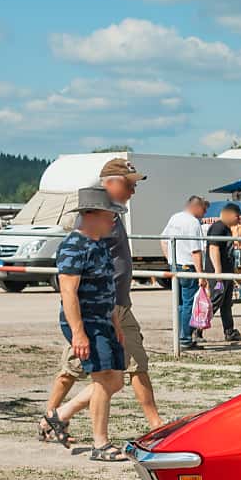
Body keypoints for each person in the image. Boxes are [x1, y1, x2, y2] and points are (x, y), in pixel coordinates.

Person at [43, 158, 165, 431]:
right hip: (98, 311)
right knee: (89, 371)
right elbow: (72, 282)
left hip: (114, 307)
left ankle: (52, 417)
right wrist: (80, 327)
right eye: (128, 185)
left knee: (125, 366)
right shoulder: (95, 219)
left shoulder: (112, 216)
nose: (133, 192)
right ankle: (55, 418)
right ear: (108, 183)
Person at [39, 187, 128, 460]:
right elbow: (68, 292)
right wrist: (78, 332)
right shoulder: (72, 246)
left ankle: (59, 415)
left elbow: (108, 289)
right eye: (109, 215)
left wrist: (115, 323)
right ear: (91, 214)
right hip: (85, 323)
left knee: (116, 381)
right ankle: (100, 445)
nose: (113, 220)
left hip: (103, 321)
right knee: (102, 380)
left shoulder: (100, 244)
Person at [161, 195, 209, 349]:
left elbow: (162, 239)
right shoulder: (193, 223)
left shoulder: (175, 218)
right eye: (204, 210)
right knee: (189, 303)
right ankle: (185, 338)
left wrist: (170, 260)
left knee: (179, 304)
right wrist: (201, 275)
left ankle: (180, 336)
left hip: (176, 266)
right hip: (188, 266)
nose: (204, 214)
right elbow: (196, 250)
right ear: (197, 207)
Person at [204, 203, 241, 343]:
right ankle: (196, 330)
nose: (239, 219)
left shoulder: (226, 228)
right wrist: (218, 274)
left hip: (225, 274)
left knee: (226, 304)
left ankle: (229, 331)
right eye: (238, 216)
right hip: (219, 276)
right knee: (215, 301)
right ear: (232, 215)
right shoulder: (218, 227)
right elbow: (213, 249)